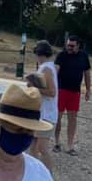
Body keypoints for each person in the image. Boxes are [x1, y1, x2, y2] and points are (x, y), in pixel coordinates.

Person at [54, 35, 91, 156]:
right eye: (68, 45)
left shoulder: (83, 56)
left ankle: (70, 145)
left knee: (72, 119)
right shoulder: (61, 56)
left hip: (75, 92)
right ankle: (57, 142)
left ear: (78, 46)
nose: (69, 47)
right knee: (57, 118)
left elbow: (87, 73)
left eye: (72, 46)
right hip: (61, 91)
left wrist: (88, 89)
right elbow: (56, 71)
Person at [27, 39, 58, 172]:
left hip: (47, 114)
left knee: (42, 148)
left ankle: (48, 175)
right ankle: (34, 172)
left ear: (39, 54)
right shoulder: (48, 67)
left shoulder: (46, 68)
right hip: (41, 112)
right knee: (32, 145)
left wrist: (34, 87)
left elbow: (52, 92)